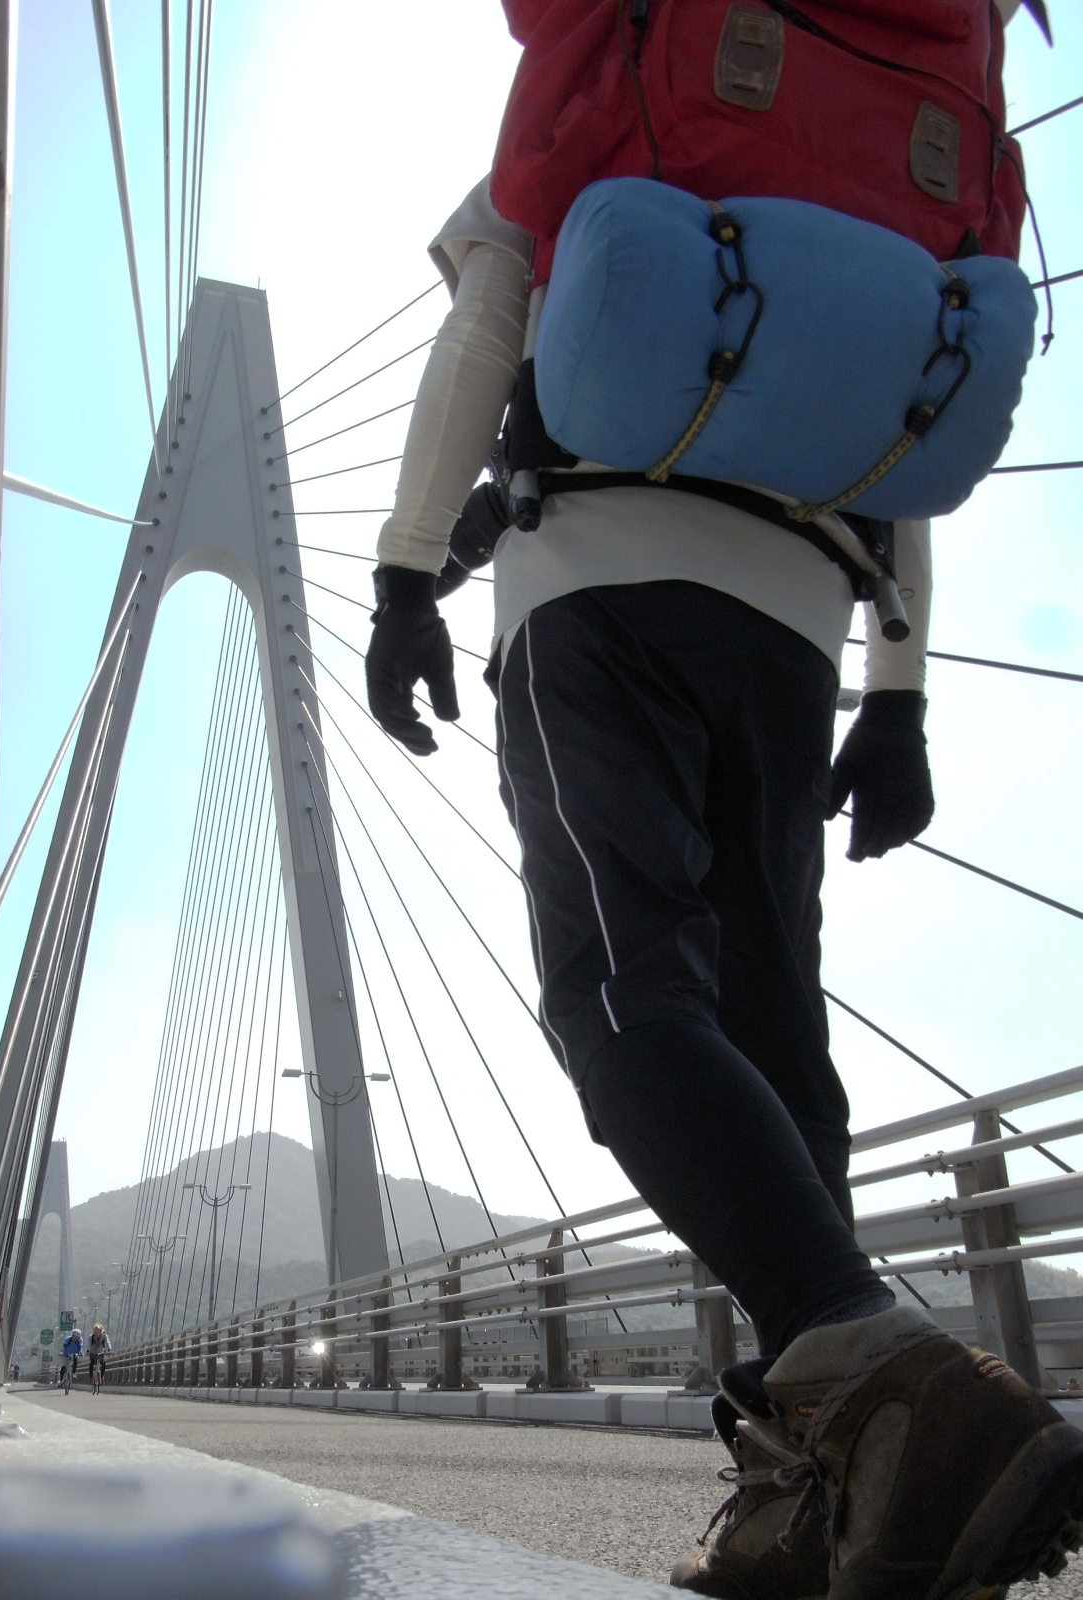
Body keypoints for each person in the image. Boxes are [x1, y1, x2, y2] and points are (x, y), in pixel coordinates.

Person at [364, 6, 1082, 1595]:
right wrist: (899, 693)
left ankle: (879, 1376)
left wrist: (407, 572)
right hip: (798, 626)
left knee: (625, 998)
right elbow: (896, 418)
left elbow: (487, 325)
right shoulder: (899, 131)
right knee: (771, 1031)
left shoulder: (625, 73)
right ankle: (820, 1493)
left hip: (600, 588)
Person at [88, 1323, 112, 1387]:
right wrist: (88, 1351)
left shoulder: (104, 1336)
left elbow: (107, 1342)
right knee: (91, 1363)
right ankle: (91, 1377)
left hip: (101, 1352)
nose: (97, 1332)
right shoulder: (91, 1337)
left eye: (98, 1330)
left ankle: (102, 1377)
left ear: (101, 1331)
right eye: (96, 1330)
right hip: (93, 1352)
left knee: (103, 1362)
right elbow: (89, 1344)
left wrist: (109, 1349)